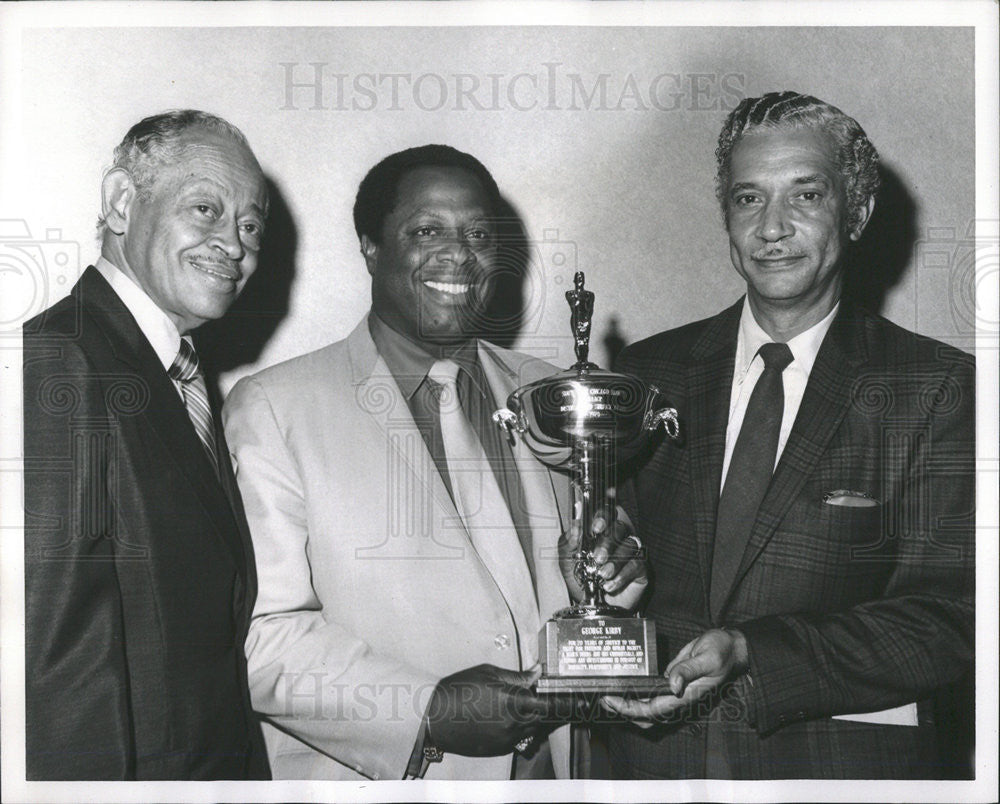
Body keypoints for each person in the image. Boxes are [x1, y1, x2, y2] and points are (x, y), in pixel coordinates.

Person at [223, 144, 646, 780]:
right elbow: (261, 636)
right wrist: (425, 710)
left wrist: (618, 573)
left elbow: (593, 588)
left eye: (479, 233)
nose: (459, 254)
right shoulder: (276, 408)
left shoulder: (554, 393)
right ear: (370, 248)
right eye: (426, 231)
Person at [602, 91, 975, 779]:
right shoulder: (647, 371)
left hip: (831, 772)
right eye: (749, 199)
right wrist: (601, 568)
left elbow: (952, 621)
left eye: (805, 195)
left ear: (856, 213)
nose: (772, 228)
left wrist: (751, 651)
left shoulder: (938, 386)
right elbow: (617, 563)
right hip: (647, 767)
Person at [23, 110, 271, 780]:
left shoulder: (178, 374)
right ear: (122, 203)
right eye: (205, 209)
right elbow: (52, 666)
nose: (234, 244)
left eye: (251, 225)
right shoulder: (60, 362)